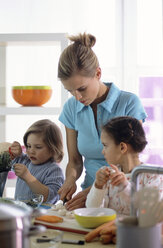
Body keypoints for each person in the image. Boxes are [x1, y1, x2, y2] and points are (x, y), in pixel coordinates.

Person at [57, 32, 147, 210]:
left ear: (98, 73)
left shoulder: (129, 103)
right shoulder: (71, 108)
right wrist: (70, 180)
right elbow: (75, 161)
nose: (77, 97)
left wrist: (95, 189)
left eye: (81, 88)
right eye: (70, 91)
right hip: (90, 199)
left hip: (124, 195)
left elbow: (129, 161)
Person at [86, 116, 163, 215]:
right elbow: (92, 211)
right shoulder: (108, 174)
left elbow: (149, 214)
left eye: (105, 145)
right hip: (109, 230)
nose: (102, 151)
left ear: (122, 147)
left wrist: (125, 186)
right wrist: (98, 186)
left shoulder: (153, 176)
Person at [10, 119, 64, 204]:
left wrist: (28, 177)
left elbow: (50, 198)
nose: (31, 151)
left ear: (53, 149)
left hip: (42, 215)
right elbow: (9, 162)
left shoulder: (54, 171)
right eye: (28, 146)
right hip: (21, 213)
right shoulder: (25, 161)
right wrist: (15, 152)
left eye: (38, 147)